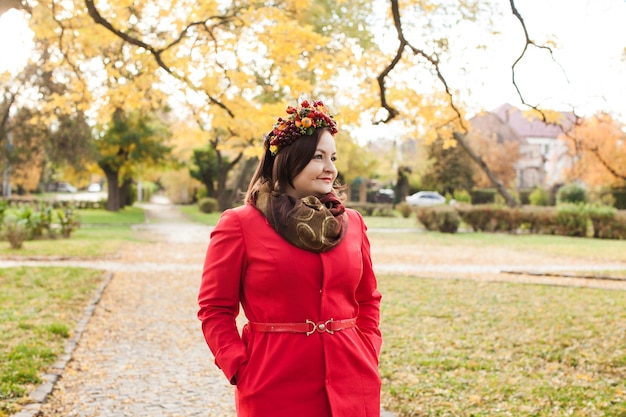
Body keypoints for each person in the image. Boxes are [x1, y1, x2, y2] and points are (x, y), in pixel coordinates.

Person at [197, 99, 382, 417]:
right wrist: (241, 366)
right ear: (287, 160)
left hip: (353, 380)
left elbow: (368, 299)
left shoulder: (353, 223)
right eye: (318, 157)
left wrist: (368, 348)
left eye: (333, 157)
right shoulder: (240, 223)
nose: (330, 168)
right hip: (273, 385)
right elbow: (214, 308)